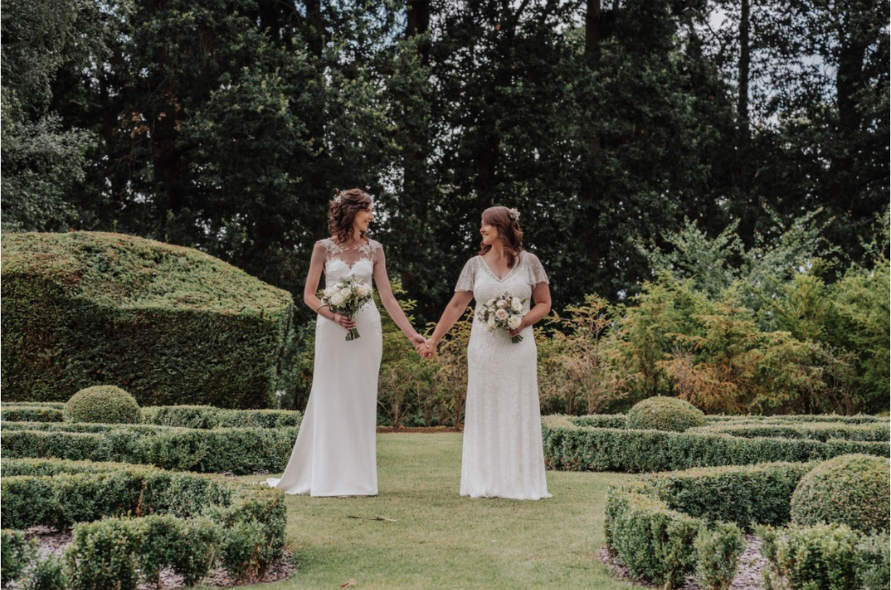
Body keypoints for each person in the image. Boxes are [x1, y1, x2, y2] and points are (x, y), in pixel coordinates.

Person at [267, 189, 427, 496]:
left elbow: (387, 297)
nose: (372, 215)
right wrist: (333, 315)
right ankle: (326, 475)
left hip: (366, 328)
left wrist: (412, 334)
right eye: (368, 210)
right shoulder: (322, 248)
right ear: (352, 212)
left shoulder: (376, 249)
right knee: (330, 394)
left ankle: (358, 478)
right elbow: (309, 295)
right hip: (332, 329)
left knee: (360, 397)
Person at [420, 206, 552, 500]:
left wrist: (522, 321)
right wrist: (434, 340)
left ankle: (519, 482)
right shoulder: (474, 265)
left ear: (502, 226)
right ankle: (485, 480)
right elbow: (456, 306)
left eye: (486, 224)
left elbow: (544, 303)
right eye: (481, 224)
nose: (481, 229)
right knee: (486, 408)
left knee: (517, 407)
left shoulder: (530, 262)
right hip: (484, 348)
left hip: (519, 350)